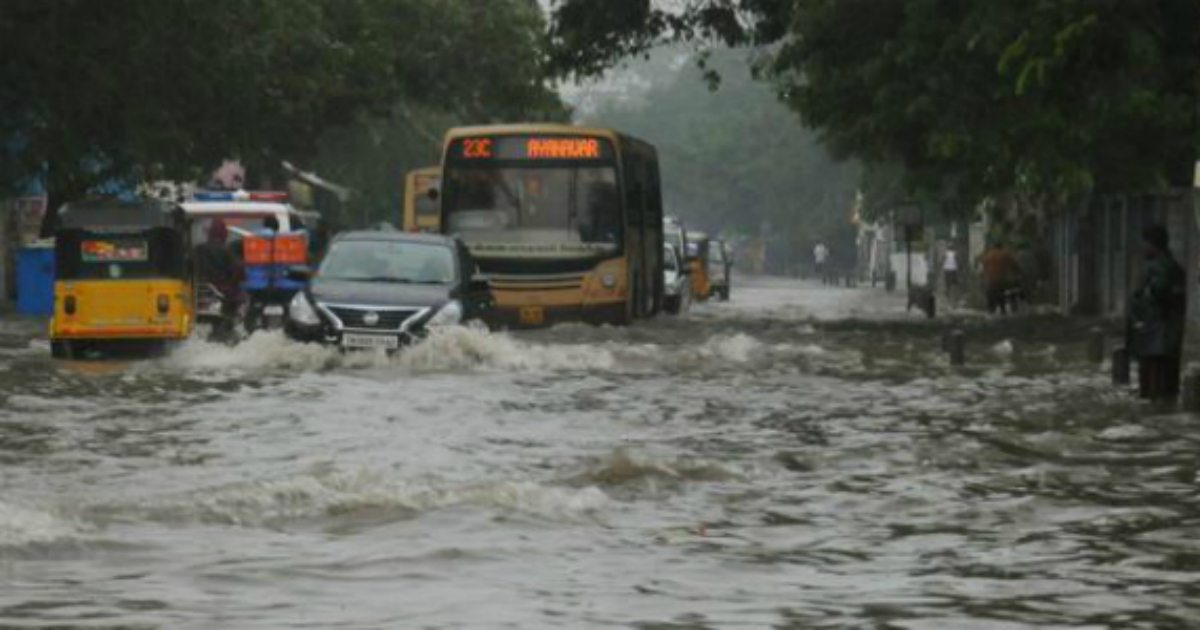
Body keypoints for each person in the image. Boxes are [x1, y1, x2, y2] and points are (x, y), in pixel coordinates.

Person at [1128, 225, 1186, 401]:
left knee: (1153, 382)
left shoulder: (1158, 265)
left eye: (1144, 243)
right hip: (1166, 332)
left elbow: (1158, 291)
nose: (1141, 247)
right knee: (1167, 382)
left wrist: (1142, 296)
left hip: (1155, 332)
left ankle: (1154, 413)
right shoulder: (1172, 264)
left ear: (1153, 244)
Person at [194, 219, 244, 341]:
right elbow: (237, 272)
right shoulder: (226, 251)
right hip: (223, 292)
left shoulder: (197, 250)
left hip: (199, 291)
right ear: (223, 233)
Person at [980, 241, 1020, 315]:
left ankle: (991, 310)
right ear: (1002, 247)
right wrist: (1018, 272)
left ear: (993, 247)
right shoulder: (1006, 254)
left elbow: (983, 265)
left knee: (990, 295)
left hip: (990, 281)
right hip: (1002, 279)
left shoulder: (989, 255)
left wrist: (984, 276)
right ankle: (1003, 309)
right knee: (1004, 293)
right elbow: (1014, 265)